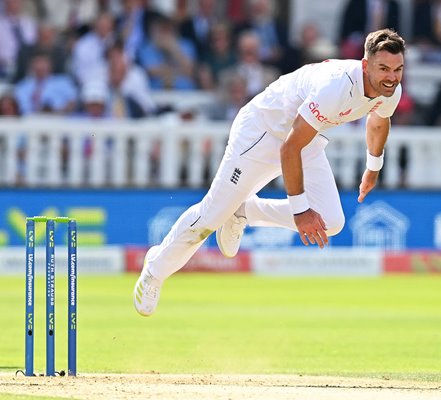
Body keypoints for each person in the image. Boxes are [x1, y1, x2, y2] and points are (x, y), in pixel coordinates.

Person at [133, 28, 405, 316]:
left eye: (398, 69)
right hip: (262, 131)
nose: (391, 77)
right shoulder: (335, 88)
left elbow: (378, 120)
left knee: (332, 221)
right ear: (366, 65)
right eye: (384, 68)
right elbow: (289, 150)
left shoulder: (391, 90)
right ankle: (155, 270)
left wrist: (373, 167)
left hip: (303, 136)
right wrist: (300, 211)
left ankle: (244, 212)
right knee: (212, 215)